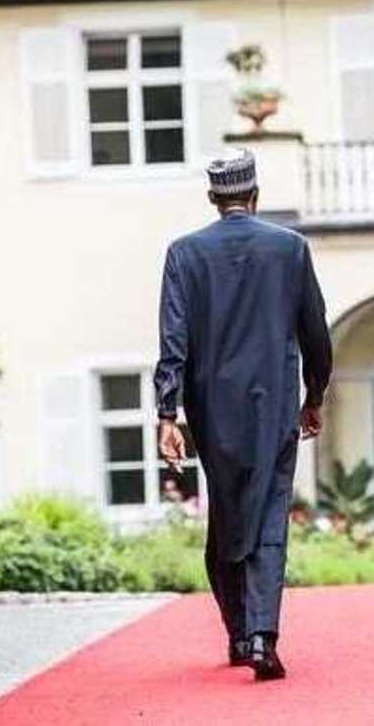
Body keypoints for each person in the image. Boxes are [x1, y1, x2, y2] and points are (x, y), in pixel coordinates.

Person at [154, 149, 332, 682]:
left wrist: (168, 412)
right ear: (255, 196)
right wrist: (314, 393)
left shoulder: (184, 254)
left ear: (213, 198)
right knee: (268, 517)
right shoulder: (290, 248)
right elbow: (315, 331)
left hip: (211, 410)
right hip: (274, 402)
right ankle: (260, 637)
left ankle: (239, 631)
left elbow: (173, 339)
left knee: (229, 516)